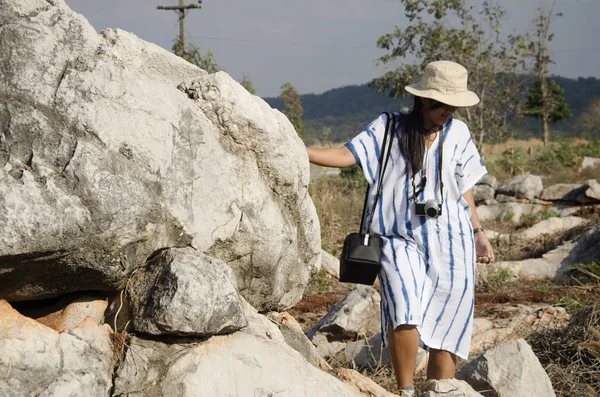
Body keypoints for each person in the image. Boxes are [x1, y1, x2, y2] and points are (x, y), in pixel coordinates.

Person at [306, 60, 494, 397]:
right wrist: (299, 150)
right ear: (424, 99)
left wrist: (478, 234)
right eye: (443, 103)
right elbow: (347, 154)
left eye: (455, 104)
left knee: (446, 331)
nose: (449, 110)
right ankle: (405, 391)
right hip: (397, 237)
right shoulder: (389, 128)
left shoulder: (459, 134)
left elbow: (464, 188)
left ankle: (438, 391)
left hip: (453, 242)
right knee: (403, 310)